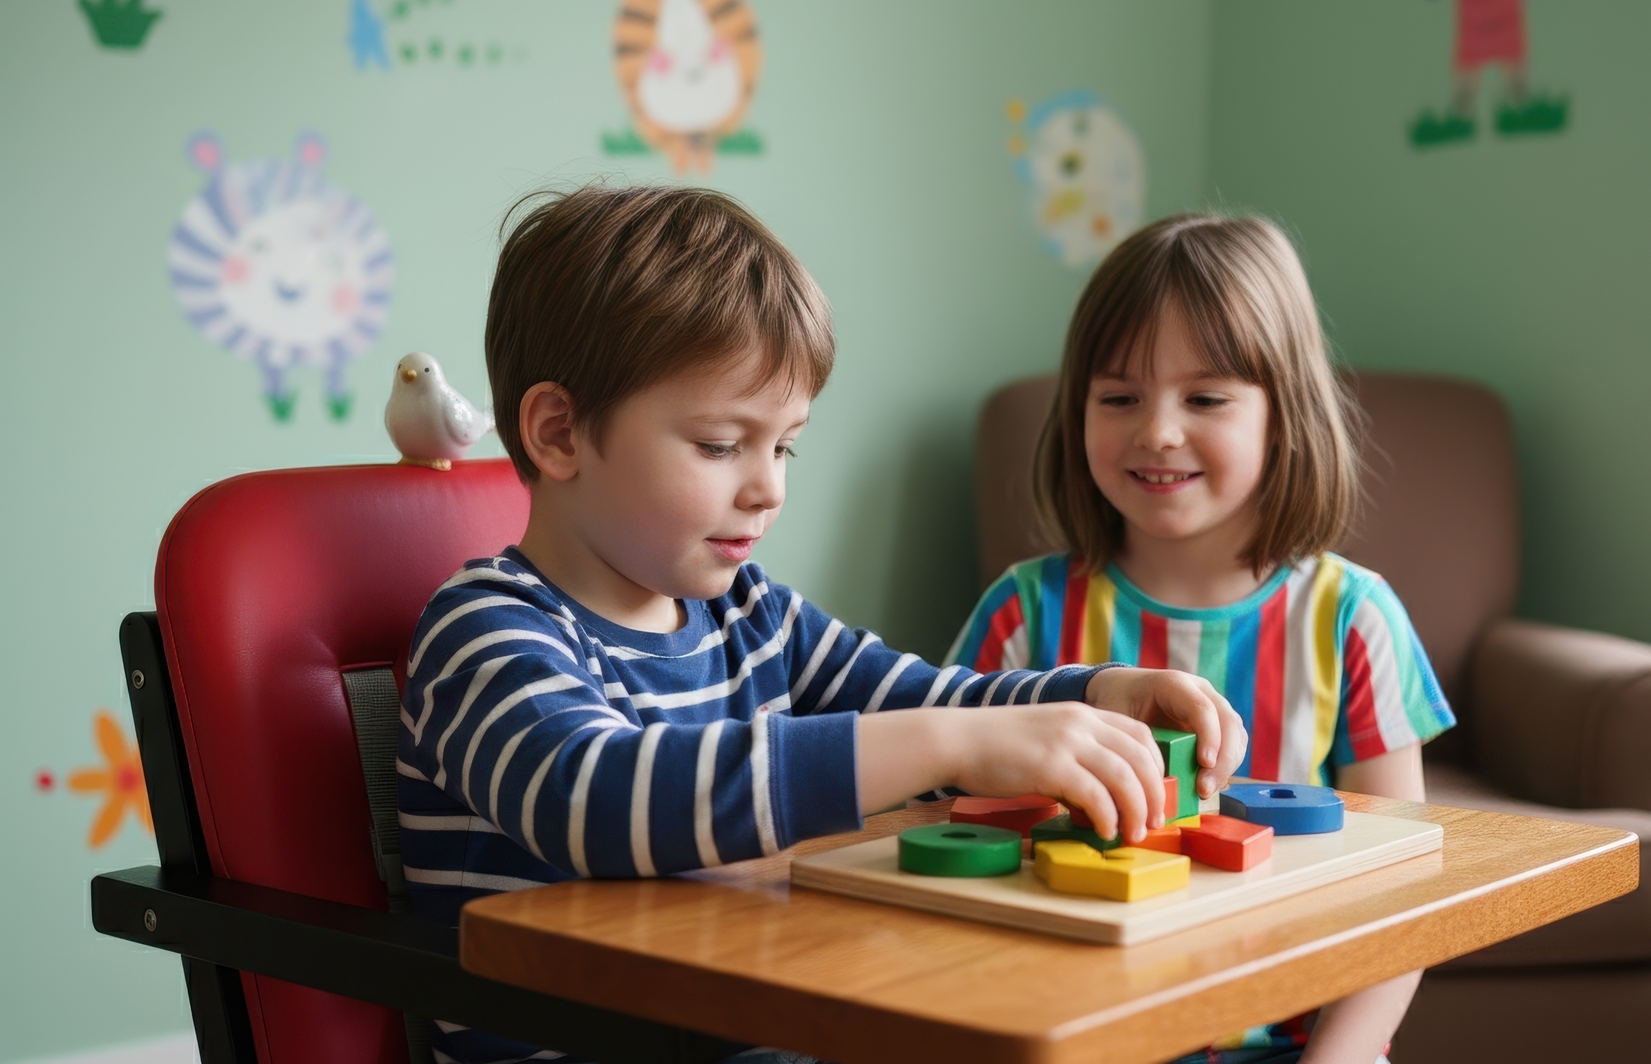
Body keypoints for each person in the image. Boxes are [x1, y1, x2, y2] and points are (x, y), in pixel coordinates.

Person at [397, 185, 1249, 1064]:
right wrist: (944, 743)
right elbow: (596, 797)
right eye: (722, 444)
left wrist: (1100, 693)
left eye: (785, 445)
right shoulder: (487, 629)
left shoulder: (753, 614)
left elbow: (935, 696)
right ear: (559, 432)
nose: (768, 487)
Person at [948, 212, 1455, 1064]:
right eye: (1119, 397)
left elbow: (1399, 891)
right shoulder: (1021, 613)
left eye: (1206, 398)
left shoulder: (1351, 619)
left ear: (1282, 412)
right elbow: (946, 830)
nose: (1157, 431)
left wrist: (1339, 1056)